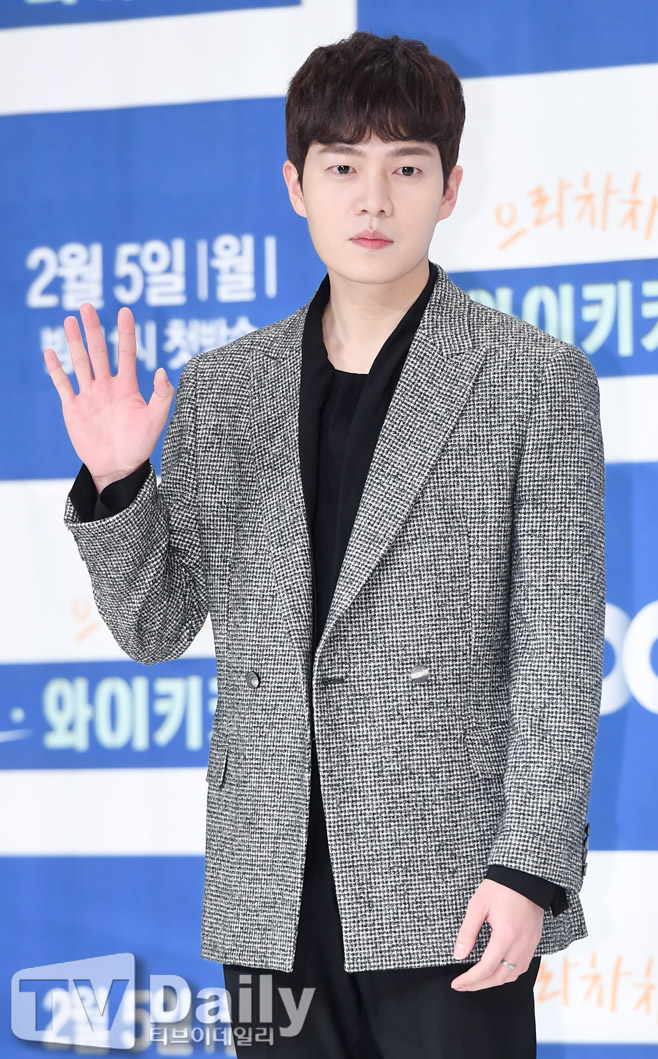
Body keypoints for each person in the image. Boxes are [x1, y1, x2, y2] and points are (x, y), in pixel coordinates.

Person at [45, 31, 605, 1059]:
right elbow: (156, 626)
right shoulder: (224, 389)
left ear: (450, 186)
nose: (373, 199)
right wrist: (121, 483)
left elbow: (560, 655)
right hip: (267, 889)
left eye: (406, 168)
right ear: (295, 186)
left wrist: (529, 868)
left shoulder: (533, 379)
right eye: (343, 168)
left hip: (452, 883)